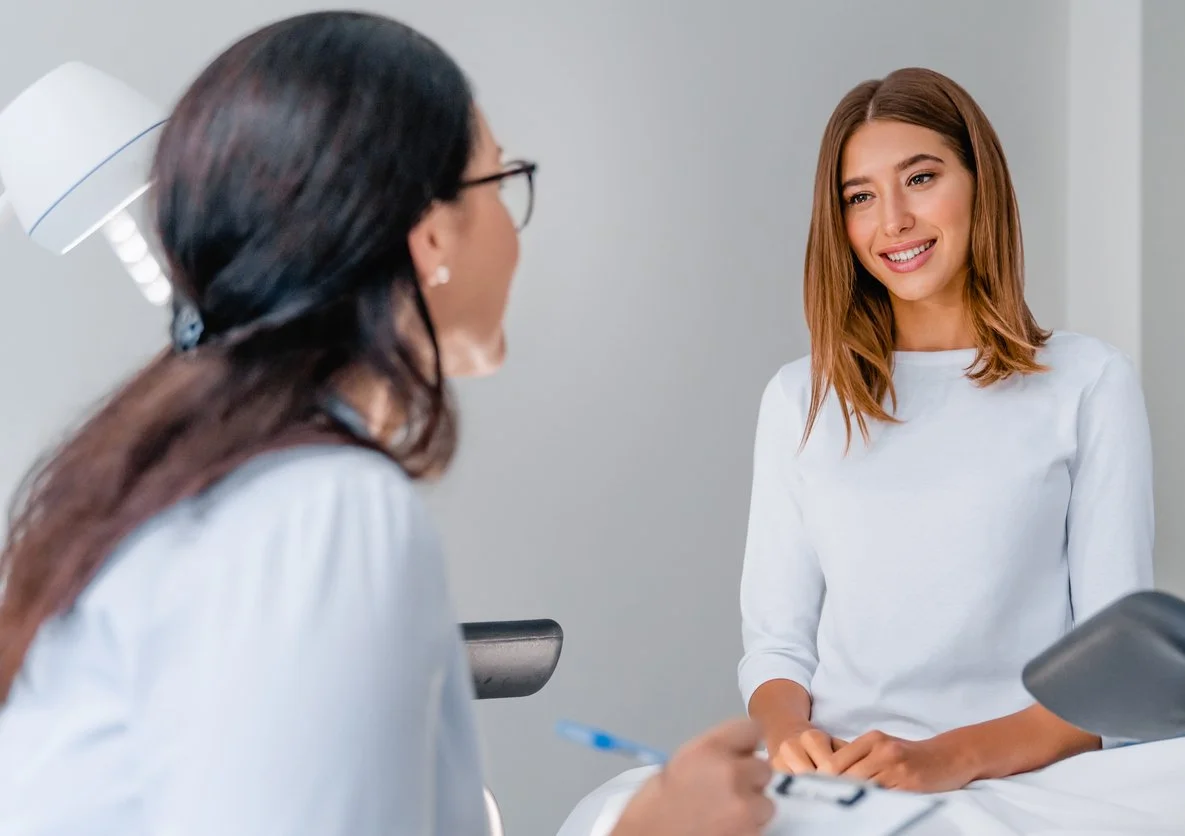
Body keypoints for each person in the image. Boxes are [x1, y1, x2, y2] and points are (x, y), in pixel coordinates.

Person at [0, 12, 774, 836]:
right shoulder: (322, 511)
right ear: (431, 235)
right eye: (500, 184)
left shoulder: (175, 489)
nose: (514, 230)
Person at [737, 67, 1155, 793]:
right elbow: (777, 647)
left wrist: (945, 758)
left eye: (920, 178)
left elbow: (1113, 673)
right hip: (841, 783)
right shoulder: (798, 397)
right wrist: (788, 735)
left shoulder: (1088, 382)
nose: (892, 220)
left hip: (1026, 781)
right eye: (859, 197)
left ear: (978, 183)